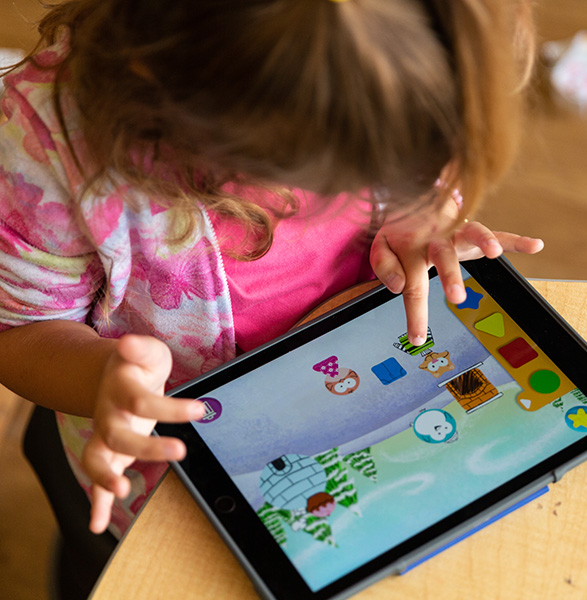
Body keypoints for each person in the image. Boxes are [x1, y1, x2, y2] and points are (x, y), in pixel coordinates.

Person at [0, 0, 542, 549]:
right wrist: (105, 380)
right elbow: (18, 333)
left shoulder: (405, 61)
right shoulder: (49, 145)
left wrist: (424, 214)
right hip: (157, 468)